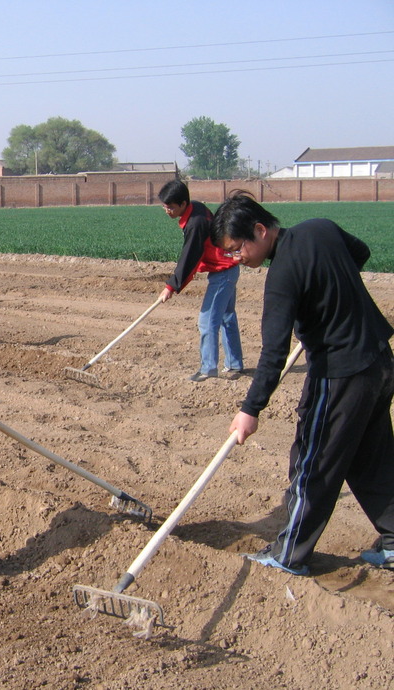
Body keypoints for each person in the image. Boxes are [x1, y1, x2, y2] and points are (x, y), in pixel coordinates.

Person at [211, 191, 394, 574]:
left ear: (260, 230)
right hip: (379, 359)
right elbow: (359, 253)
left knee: (313, 462)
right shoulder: (320, 228)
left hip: (340, 374)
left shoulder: (281, 276)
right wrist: (327, 299)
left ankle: (288, 555)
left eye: (237, 248)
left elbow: (274, 354)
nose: (235, 258)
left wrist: (250, 409)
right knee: (369, 456)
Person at [158, 180, 243, 382]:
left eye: (170, 207)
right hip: (228, 268)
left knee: (207, 321)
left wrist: (171, 286)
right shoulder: (196, 207)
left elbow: (189, 257)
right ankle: (234, 364)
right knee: (227, 317)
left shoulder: (195, 223)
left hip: (223, 271)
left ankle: (208, 369)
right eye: (164, 206)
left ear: (183, 204)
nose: (167, 210)